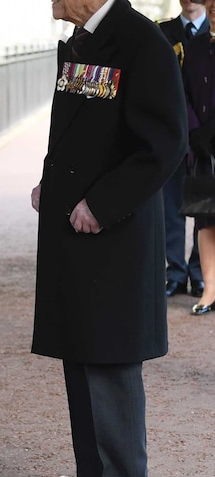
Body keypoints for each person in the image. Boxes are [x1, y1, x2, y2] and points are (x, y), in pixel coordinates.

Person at [31, 0, 187, 477]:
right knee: (80, 351)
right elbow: (81, 130)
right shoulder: (84, 37)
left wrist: (102, 203)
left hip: (112, 230)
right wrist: (50, 184)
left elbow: (164, 144)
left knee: (110, 358)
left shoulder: (142, 42)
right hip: (71, 224)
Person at [158, 0, 209, 298]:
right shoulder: (163, 33)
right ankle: (174, 274)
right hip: (173, 134)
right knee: (172, 208)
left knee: (204, 208)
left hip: (206, 139)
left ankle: (199, 273)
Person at [182, 0, 215, 315]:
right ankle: (209, 291)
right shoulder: (193, 47)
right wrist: (197, 132)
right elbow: (184, 94)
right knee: (206, 221)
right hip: (203, 148)